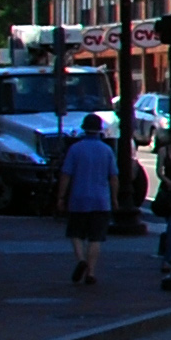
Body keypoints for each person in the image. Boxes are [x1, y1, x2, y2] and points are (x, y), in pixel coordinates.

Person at [57, 117, 118, 289]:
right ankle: (91, 272)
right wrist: (114, 198)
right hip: (101, 200)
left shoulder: (75, 149)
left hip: (78, 198)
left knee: (75, 234)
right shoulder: (107, 150)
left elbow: (66, 175)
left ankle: (81, 260)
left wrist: (61, 197)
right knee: (95, 238)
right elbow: (113, 177)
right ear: (99, 130)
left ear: (84, 129)